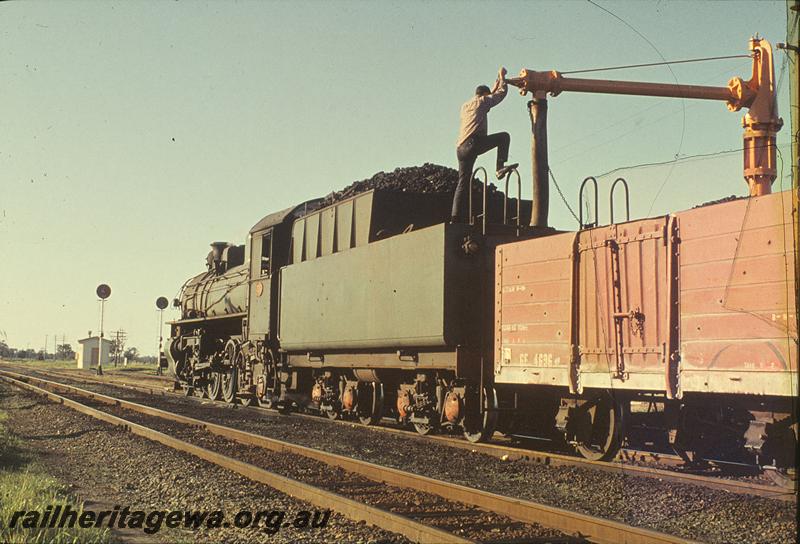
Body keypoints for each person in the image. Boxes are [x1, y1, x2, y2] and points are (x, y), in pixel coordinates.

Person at [451, 66, 518, 223]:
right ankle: (499, 168)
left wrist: (494, 86)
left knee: (463, 183)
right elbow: (500, 95)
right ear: (484, 95)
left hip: (460, 149)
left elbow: (488, 97)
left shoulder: (465, 106)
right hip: (473, 143)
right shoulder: (482, 102)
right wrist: (502, 77)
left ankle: (455, 217)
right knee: (504, 137)